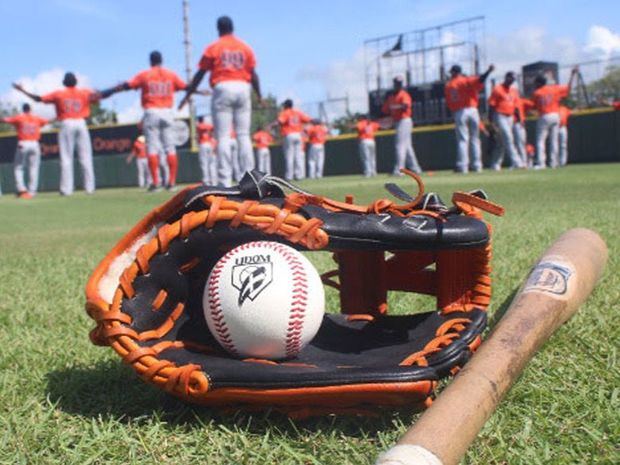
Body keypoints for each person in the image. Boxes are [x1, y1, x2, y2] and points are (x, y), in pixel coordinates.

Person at [179, 16, 262, 187]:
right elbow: (253, 75)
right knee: (243, 135)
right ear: (233, 27)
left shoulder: (214, 47)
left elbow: (200, 74)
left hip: (223, 87)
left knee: (223, 136)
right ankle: (251, 179)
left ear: (218, 29)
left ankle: (224, 181)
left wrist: (188, 95)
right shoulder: (245, 47)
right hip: (243, 87)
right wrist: (259, 95)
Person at [99, 51, 187, 191]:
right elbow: (186, 87)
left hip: (151, 111)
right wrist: (199, 92)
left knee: (152, 148)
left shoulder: (145, 74)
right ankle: (171, 182)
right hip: (167, 112)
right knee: (170, 148)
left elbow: (126, 85)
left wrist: (108, 91)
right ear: (161, 60)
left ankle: (156, 183)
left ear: (150, 61)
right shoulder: (171, 74)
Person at [13, 72, 100, 195]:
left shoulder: (59, 94)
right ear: (76, 82)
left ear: (64, 82)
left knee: (66, 158)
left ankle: (66, 190)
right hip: (81, 123)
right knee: (86, 157)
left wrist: (22, 90)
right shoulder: (84, 92)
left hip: (67, 123)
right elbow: (98, 97)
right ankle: (90, 188)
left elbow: (38, 99)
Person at [444, 63, 494, 173]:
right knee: (475, 139)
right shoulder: (465, 80)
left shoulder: (449, 85)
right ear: (460, 72)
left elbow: (449, 103)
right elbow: (480, 80)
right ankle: (477, 165)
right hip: (472, 110)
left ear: (453, 72)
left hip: (459, 112)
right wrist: (488, 71)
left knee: (463, 140)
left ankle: (463, 166)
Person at [531, 67, 578, 169]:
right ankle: (553, 163)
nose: (534, 84)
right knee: (554, 140)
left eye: (536, 82)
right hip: (555, 115)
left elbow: (534, 107)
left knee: (540, 140)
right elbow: (568, 88)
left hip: (544, 116)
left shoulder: (537, 92)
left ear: (539, 83)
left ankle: (541, 163)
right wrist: (572, 75)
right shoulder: (554, 88)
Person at [1, 103, 49, 198]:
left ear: (23, 109)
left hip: (23, 143)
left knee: (18, 167)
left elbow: (4, 120)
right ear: (30, 109)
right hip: (35, 144)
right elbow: (46, 122)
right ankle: (32, 192)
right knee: (34, 168)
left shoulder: (19, 118)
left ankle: (22, 190)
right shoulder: (37, 118)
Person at [381, 76, 421, 175]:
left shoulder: (404, 94)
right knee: (407, 147)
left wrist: (394, 107)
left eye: (400, 84)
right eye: (396, 83)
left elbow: (405, 106)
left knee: (400, 146)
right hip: (397, 121)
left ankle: (399, 170)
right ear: (394, 84)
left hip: (404, 120)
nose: (398, 85)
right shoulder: (391, 97)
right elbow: (384, 110)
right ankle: (415, 168)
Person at [488, 72, 524, 170]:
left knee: (501, 142)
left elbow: (516, 107)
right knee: (508, 138)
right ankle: (517, 162)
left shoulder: (514, 90)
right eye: (511, 78)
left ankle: (495, 164)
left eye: (513, 79)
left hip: (510, 117)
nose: (512, 80)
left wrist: (519, 119)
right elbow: (491, 106)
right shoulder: (497, 88)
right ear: (506, 77)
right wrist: (490, 122)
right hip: (500, 115)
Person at [276, 99, 311, 180]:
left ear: (286, 105)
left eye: (284, 105)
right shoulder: (298, 112)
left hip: (289, 135)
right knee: (298, 156)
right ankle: (299, 175)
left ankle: (289, 176)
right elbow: (308, 119)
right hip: (298, 135)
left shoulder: (285, 112)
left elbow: (280, 122)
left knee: (289, 156)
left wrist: (271, 125)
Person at [513, 96, 534, 167]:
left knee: (520, 143)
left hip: (518, 124)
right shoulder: (514, 100)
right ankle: (519, 163)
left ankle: (524, 162)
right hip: (514, 123)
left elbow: (532, 105)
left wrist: (521, 118)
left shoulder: (519, 100)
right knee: (517, 144)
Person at [196, 116, 217, 185]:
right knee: (211, 164)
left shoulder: (199, 125)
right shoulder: (208, 125)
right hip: (210, 144)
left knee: (204, 164)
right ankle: (213, 181)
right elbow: (212, 128)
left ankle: (206, 181)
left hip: (203, 144)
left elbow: (200, 128)